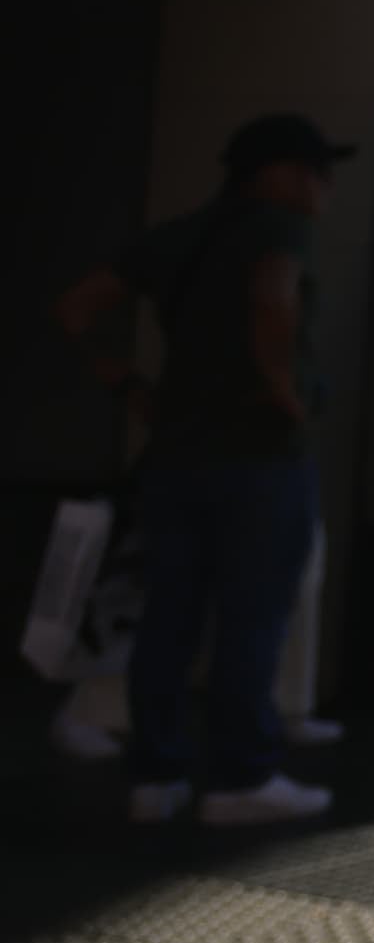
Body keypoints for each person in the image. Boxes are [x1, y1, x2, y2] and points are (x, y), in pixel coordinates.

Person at [48, 112, 351, 828]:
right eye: (313, 167)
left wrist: (126, 385)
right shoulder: (279, 229)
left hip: (175, 454)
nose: (323, 185)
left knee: (170, 616)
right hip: (258, 451)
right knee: (253, 616)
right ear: (274, 174)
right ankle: (240, 778)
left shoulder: (176, 237)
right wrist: (288, 395)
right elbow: (272, 303)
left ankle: (156, 776)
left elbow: (74, 309)